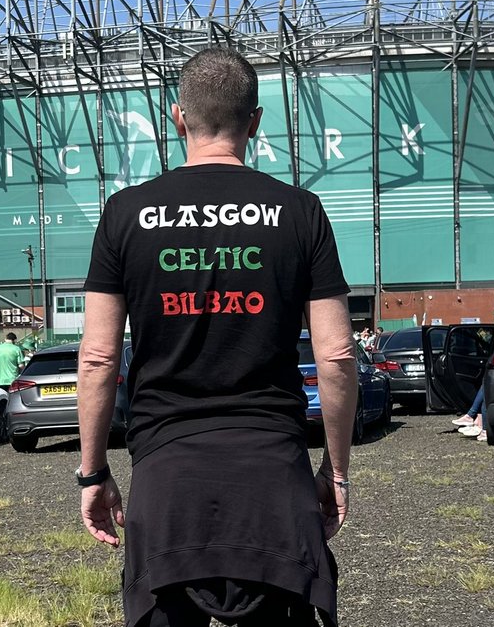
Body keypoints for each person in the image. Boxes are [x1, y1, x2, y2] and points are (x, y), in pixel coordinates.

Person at [77, 47, 356, 627]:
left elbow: (100, 358)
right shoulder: (300, 211)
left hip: (166, 476)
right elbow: (336, 355)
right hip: (272, 475)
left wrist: (94, 471)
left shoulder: (125, 213)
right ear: (255, 122)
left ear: (178, 117)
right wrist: (334, 471)